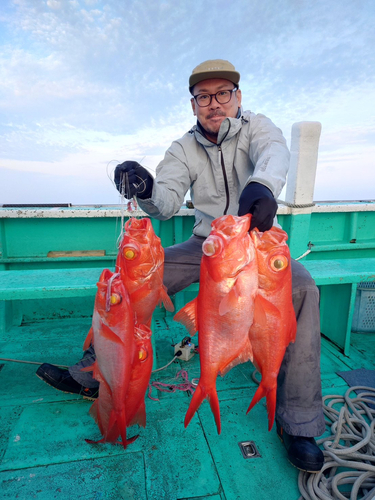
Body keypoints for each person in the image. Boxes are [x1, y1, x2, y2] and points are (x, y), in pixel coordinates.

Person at [37, 59, 325, 472]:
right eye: (203, 96)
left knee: (304, 290)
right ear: (193, 105)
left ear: (237, 97)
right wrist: (148, 187)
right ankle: (95, 374)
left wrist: (262, 187)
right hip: (205, 245)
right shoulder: (183, 147)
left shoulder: (258, 128)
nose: (214, 103)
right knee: (125, 283)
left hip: (258, 243)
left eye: (222, 93)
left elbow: (275, 154)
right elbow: (167, 201)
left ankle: (299, 422)